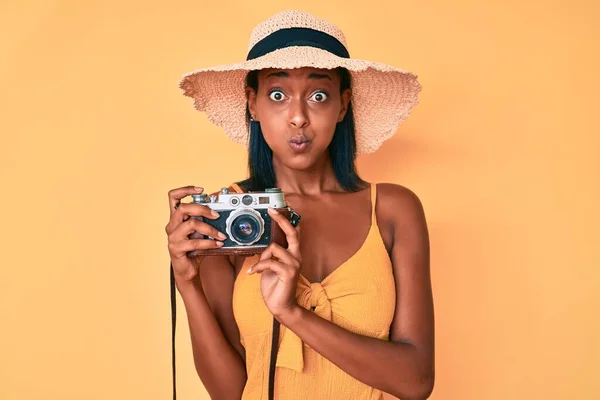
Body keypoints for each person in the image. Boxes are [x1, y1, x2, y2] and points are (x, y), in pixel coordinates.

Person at [165, 10, 434, 400]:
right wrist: (187, 284)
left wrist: (291, 312)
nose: (298, 117)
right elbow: (231, 393)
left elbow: (416, 381)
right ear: (252, 104)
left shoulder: (393, 210)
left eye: (318, 95)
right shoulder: (229, 218)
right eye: (278, 95)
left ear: (342, 106)